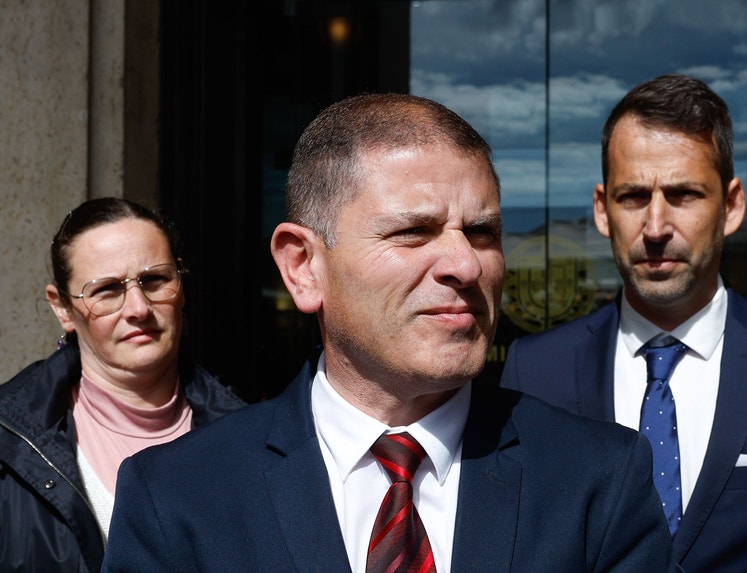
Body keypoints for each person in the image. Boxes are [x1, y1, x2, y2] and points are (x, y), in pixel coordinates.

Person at [102, 93, 674, 572]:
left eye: (482, 232)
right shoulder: (179, 496)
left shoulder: (597, 480)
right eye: (413, 232)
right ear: (302, 267)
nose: (466, 265)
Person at [501, 74, 747, 572]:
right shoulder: (537, 372)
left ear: (732, 206)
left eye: (684, 194)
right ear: (602, 210)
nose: (655, 228)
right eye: (633, 196)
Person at [0, 198, 246, 573]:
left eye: (154, 280)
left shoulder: (247, 437)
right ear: (63, 308)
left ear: (181, 287)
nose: (138, 308)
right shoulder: (9, 445)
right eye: (108, 289)